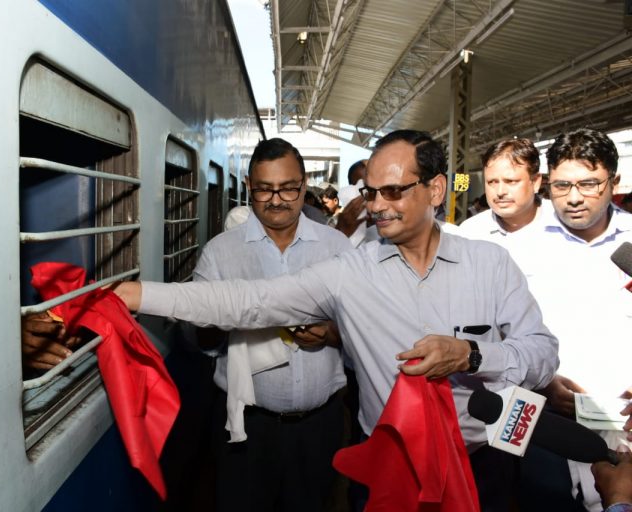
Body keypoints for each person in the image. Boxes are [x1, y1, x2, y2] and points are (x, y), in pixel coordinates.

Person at [113, 129, 558, 511]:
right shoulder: (352, 271)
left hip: (481, 461)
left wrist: (471, 353)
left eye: (394, 191)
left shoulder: (491, 264)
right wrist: (136, 295)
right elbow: (253, 300)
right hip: (389, 467)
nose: (378, 206)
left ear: (436, 190)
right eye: (370, 193)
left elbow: (542, 354)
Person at [193, 138, 354, 512]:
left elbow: (364, 328)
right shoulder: (222, 252)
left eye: (288, 188)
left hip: (320, 426)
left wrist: (330, 333)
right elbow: (199, 340)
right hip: (246, 428)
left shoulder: (337, 249)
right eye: (265, 189)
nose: (277, 199)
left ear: (303, 186)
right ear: (250, 186)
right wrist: (219, 316)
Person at [512, 128, 632, 512]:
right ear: (547, 184)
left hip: (625, 425)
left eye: (589, 184)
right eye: (562, 185)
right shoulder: (516, 250)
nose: (575, 197)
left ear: (614, 181)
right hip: (544, 423)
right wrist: (540, 382)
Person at [458, 138, 552, 270]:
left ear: (535, 182)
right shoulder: (470, 232)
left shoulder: (564, 223)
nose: (500, 192)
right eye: (492, 182)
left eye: (511, 181)